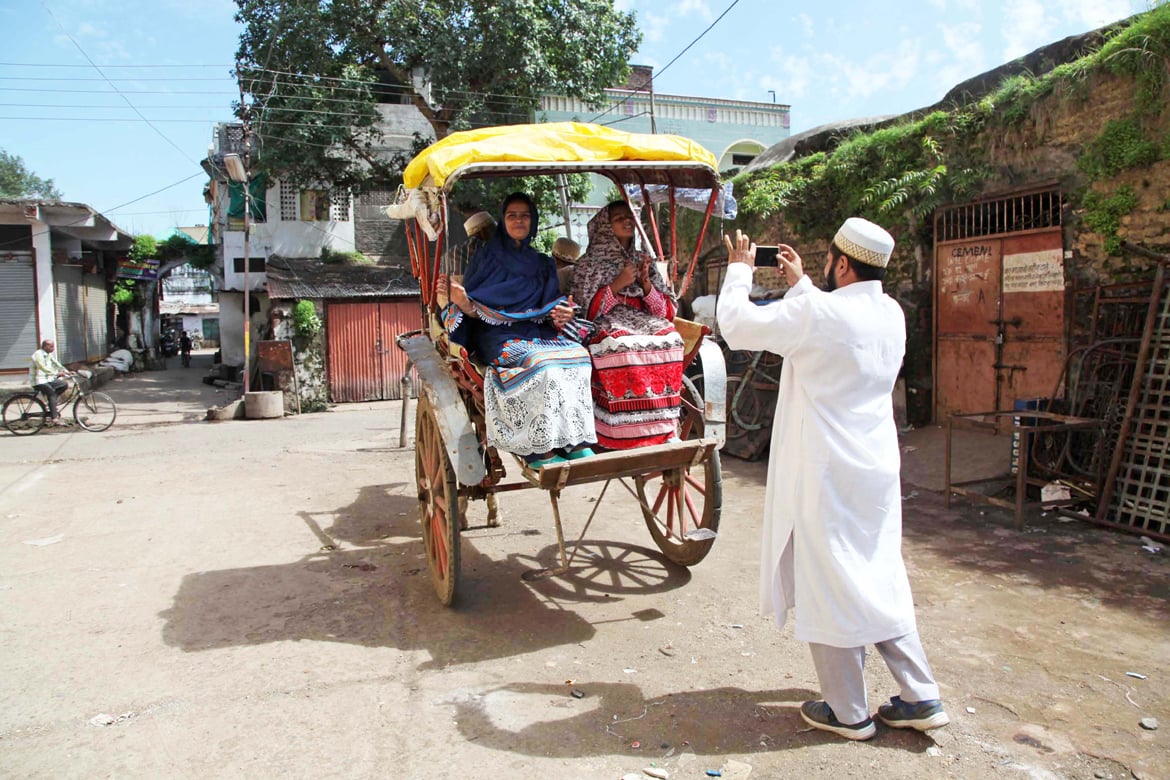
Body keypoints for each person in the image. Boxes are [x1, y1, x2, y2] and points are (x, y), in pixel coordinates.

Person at [716, 219, 948, 742]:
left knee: (829, 580)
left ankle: (848, 711)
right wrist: (802, 286)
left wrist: (737, 271)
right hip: (876, 468)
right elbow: (833, 326)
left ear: (842, 264)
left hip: (824, 472)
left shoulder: (816, 312)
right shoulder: (889, 313)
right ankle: (919, 694)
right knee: (879, 574)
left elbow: (736, 324)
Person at [436, 192, 596, 468]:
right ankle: (537, 449)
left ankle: (573, 441)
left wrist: (563, 312)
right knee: (539, 364)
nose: (518, 220)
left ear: (532, 221)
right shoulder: (486, 258)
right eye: (512, 216)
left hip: (537, 332)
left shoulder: (543, 263)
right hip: (495, 334)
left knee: (578, 356)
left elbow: (550, 302)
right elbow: (472, 306)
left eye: (524, 215)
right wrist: (463, 302)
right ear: (503, 221)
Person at [572, 200, 685, 449]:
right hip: (606, 321)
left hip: (644, 320)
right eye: (618, 218)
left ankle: (662, 425)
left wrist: (645, 283)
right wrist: (618, 284)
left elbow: (664, 312)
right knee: (622, 345)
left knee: (672, 338)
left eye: (629, 217)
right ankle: (623, 430)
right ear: (605, 227)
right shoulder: (588, 264)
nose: (626, 221)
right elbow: (585, 312)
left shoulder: (644, 259)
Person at [29, 339, 72, 424]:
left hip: (48, 379)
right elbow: (42, 368)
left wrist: (67, 372)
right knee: (51, 393)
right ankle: (54, 418)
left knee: (63, 384)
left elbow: (57, 364)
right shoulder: (38, 354)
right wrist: (57, 373)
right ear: (45, 346)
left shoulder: (49, 355)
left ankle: (52, 403)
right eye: (51, 346)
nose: (53, 348)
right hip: (38, 381)